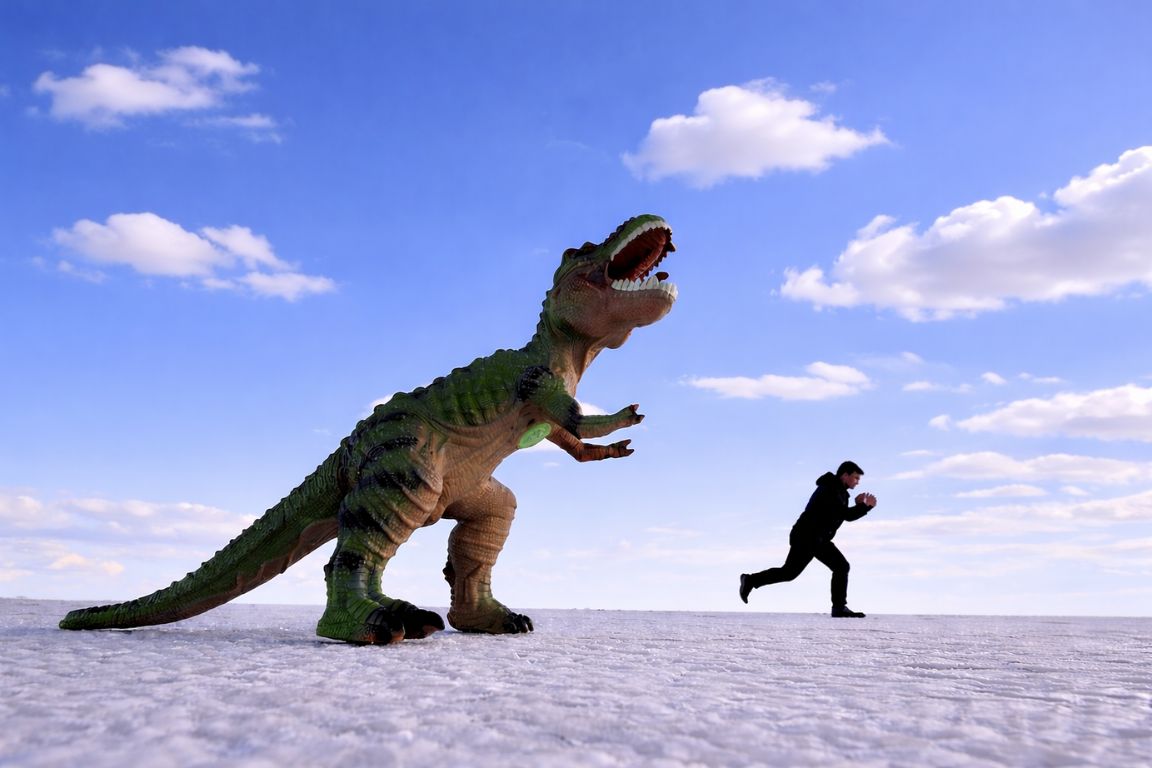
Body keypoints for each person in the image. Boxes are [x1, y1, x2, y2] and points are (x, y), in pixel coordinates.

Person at [739, 461, 876, 617]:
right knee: (801, 572)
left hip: (817, 538)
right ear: (845, 475)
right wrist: (866, 507)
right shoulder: (831, 488)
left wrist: (859, 505)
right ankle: (750, 580)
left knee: (828, 568)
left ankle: (750, 580)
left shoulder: (838, 490)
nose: (857, 482)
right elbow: (846, 515)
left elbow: (841, 514)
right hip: (808, 537)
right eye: (856, 477)